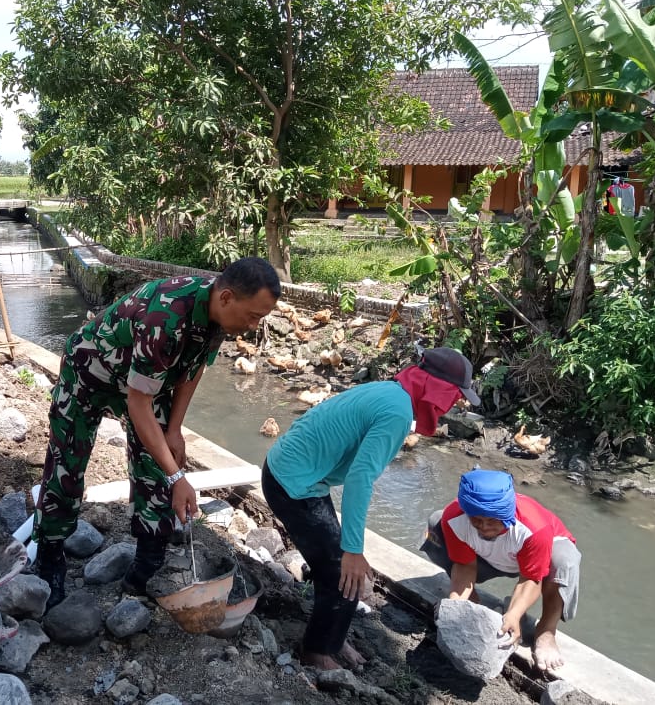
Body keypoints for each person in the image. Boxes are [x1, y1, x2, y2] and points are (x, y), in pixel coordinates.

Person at [32, 257, 281, 609]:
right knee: (66, 463)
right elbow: (138, 405)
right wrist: (178, 476)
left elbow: (193, 369)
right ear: (227, 297)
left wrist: (175, 429)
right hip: (89, 372)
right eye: (253, 315)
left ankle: (147, 566)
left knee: (156, 462)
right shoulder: (167, 317)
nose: (254, 326)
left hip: (146, 379)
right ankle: (50, 557)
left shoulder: (218, 315)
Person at [262, 346, 481, 671]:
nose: (455, 404)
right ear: (437, 388)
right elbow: (360, 478)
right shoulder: (397, 413)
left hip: (299, 473)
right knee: (340, 571)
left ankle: (333, 640)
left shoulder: (393, 394)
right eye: (455, 395)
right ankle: (316, 652)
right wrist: (353, 549)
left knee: (338, 568)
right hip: (293, 483)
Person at [420, 469, 581, 672]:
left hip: (539, 559)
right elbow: (464, 565)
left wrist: (514, 614)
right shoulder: (456, 517)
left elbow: (530, 578)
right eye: (477, 520)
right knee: (435, 524)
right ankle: (470, 601)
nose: (484, 527)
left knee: (564, 561)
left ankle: (546, 631)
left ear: (506, 512)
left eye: (492, 520)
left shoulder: (534, 529)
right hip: (488, 556)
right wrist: (455, 604)